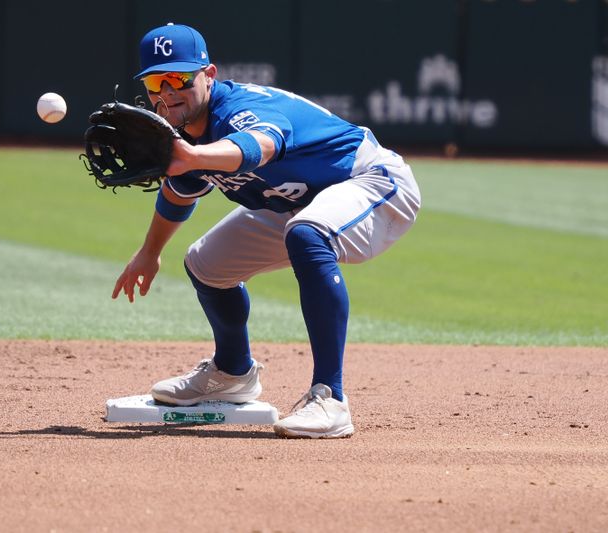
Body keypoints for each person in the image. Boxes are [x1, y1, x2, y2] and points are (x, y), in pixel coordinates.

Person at [112, 23, 421, 438]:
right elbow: (178, 195)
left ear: (209, 75)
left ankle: (331, 399)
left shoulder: (238, 110)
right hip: (297, 203)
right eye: (155, 81)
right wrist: (149, 252)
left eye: (179, 78)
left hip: (372, 181)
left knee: (307, 232)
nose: (166, 91)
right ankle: (232, 372)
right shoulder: (186, 136)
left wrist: (193, 156)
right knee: (207, 264)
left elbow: (263, 144)